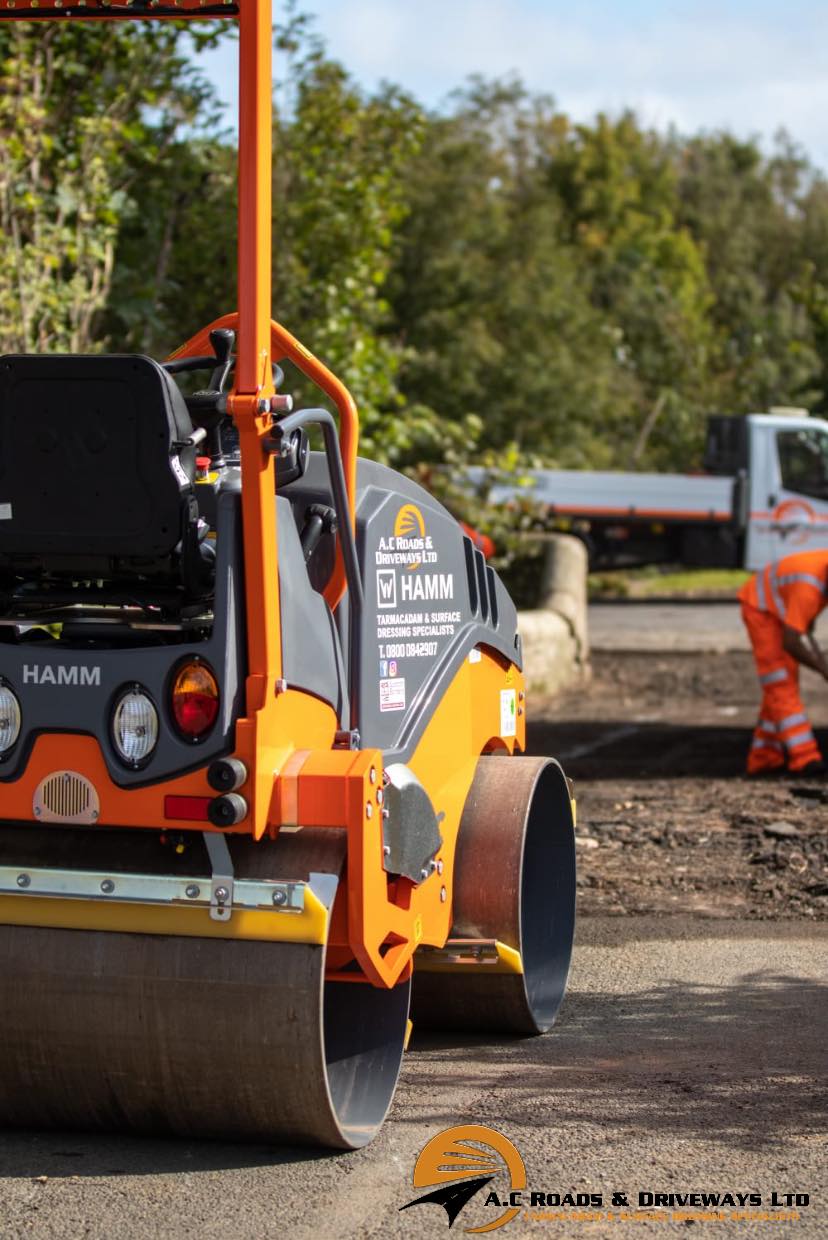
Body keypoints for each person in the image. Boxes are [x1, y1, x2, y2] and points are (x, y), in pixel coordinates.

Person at [739, 549, 828, 776]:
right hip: (761, 610)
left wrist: (807, 620)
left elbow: (804, 615)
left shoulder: (821, 574)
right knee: (780, 683)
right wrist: (822, 668)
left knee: (781, 688)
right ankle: (805, 758)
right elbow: (791, 641)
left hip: (778, 606)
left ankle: (764, 757)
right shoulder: (808, 588)